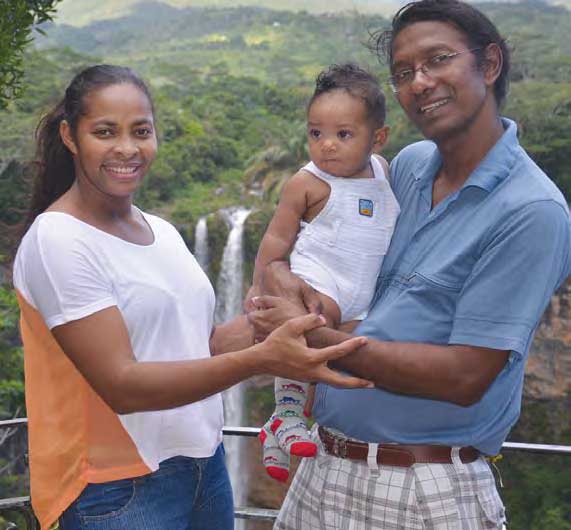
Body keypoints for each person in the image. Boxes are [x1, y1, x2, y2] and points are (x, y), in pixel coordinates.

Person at [247, 1, 571, 528]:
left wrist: (304, 337)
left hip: (422, 487)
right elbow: (337, 242)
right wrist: (281, 270)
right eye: (403, 73)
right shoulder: (408, 167)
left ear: (489, 65)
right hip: (323, 467)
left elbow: (465, 377)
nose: (419, 82)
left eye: (438, 60)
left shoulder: (531, 212)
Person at [11, 64, 374, 530]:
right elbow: (121, 385)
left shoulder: (159, 230)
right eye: (105, 132)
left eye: (140, 131)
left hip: (205, 465)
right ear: (70, 135)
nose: (127, 148)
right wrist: (265, 359)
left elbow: (203, 346)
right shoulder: (58, 240)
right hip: (116, 488)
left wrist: (291, 317)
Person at [244, 63, 400, 482]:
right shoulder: (307, 182)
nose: (327, 145)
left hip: (364, 294)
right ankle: (289, 414)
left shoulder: (386, 173)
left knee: (345, 352)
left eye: (343, 135)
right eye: (316, 133)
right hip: (318, 283)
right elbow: (275, 243)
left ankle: (277, 429)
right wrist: (259, 288)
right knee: (307, 335)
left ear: (377, 138)